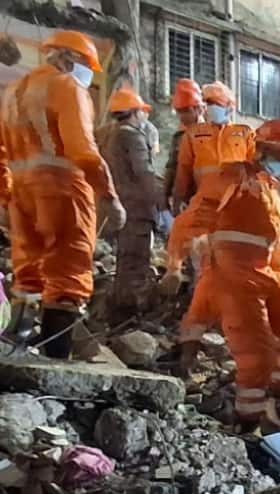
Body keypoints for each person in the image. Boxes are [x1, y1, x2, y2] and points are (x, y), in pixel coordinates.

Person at [0, 30, 126, 358]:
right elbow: (82, 150)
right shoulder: (66, 87)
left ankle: (15, 354)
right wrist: (109, 195)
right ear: (67, 58)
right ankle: (54, 358)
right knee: (68, 273)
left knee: (28, 273)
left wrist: (3, 196)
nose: (87, 75)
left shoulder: (13, 92)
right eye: (86, 65)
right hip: (63, 190)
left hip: (22, 194)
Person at [206, 119, 280, 426]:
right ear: (263, 150)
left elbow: (275, 240)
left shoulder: (271, 188)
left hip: (268, 273)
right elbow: (203, 212)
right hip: (236, 274)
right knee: (256, 352)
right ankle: (250, 420)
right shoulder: (235, 176)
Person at [159, 81, 254, 370]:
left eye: (217, 103)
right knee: (193, 247)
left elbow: (256, 171)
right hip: (205, 202)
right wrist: (176, 197)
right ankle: (179, 280)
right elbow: (183, 171)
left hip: (236, 206)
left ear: (229, 107)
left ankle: (228, 322)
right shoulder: (193, 134)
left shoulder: (244, 133)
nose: (211, 108)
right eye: (208, 102)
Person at [99, 86, 158, 320]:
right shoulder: (132, 136)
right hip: (137, 209)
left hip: (123, 207)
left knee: (125, 260)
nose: (144, 116)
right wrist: (162, 202)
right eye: (142, 112)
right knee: (136, 262)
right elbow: (145, 173)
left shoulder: (110, 136)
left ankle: (118, 310)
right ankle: (128, 316)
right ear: (134, 112)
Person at [162, 78, 202, 215]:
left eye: (186, 111)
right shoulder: (179, 137)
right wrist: (165, 194)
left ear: (198, 109)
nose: (182, 116)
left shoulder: (213, 134)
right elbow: (171, 167)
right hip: (186, 200)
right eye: (179, 111)